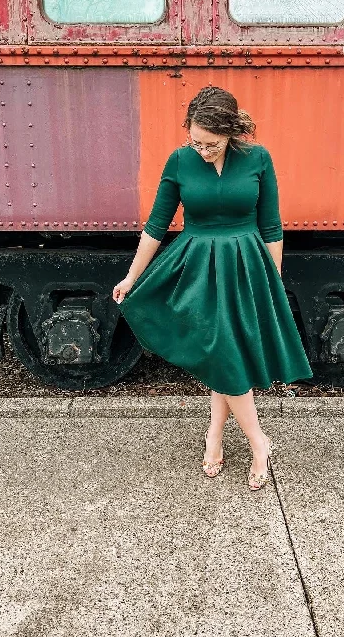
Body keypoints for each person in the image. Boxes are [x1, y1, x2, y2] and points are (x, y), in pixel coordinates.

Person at [112, 85, 313, 490]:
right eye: (195, 142)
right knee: (221, 350)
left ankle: (216, 435)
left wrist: (272, 279)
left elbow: (271, 226)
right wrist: (132, 277)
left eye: (211, 144)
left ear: (231, 132)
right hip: (199, 268)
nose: (202, 150)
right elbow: (156, 226)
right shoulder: (180, 161)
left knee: (227, 353)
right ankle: (259, 441)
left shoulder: (258, 159)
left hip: (246, 267)